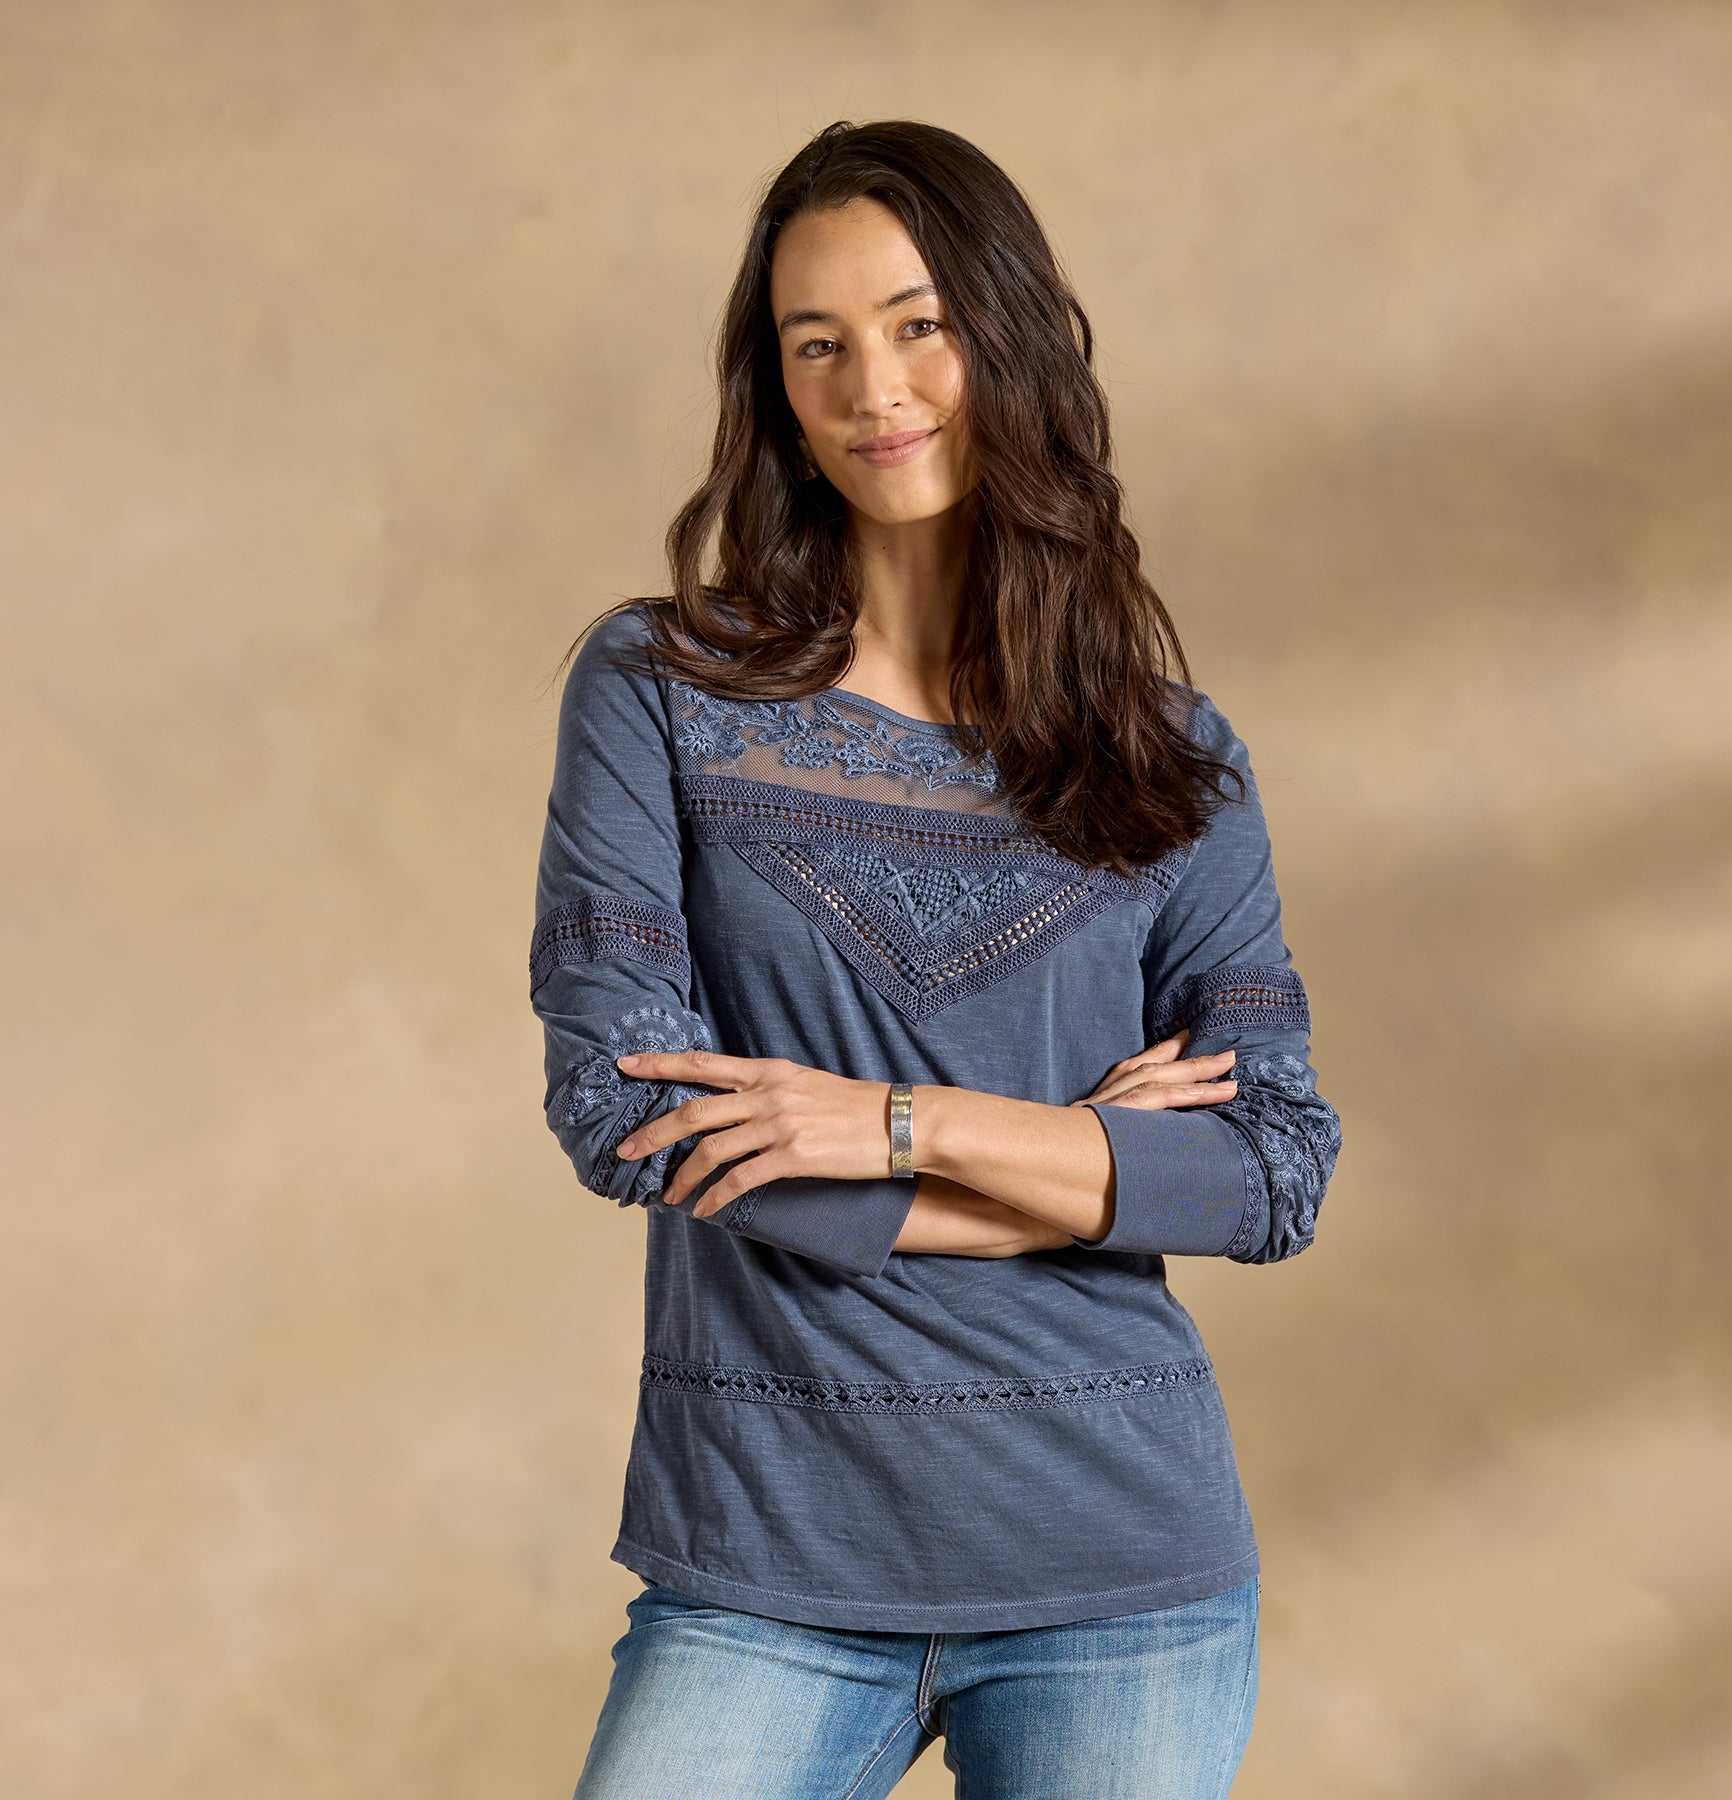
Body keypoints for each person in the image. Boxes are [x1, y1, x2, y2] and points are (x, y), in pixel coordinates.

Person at [529, 118, 1342, 1800]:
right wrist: (1084, 1166)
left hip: (1123, 1570)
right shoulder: (662, 692)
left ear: (1009, 338)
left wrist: (896, 1124)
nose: (874, 388)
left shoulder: (1169, 759)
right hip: (766, 1554)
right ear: (774, 387)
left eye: (920, 325)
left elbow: (1271, 1171)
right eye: (815, 343)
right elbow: (628, 1114)